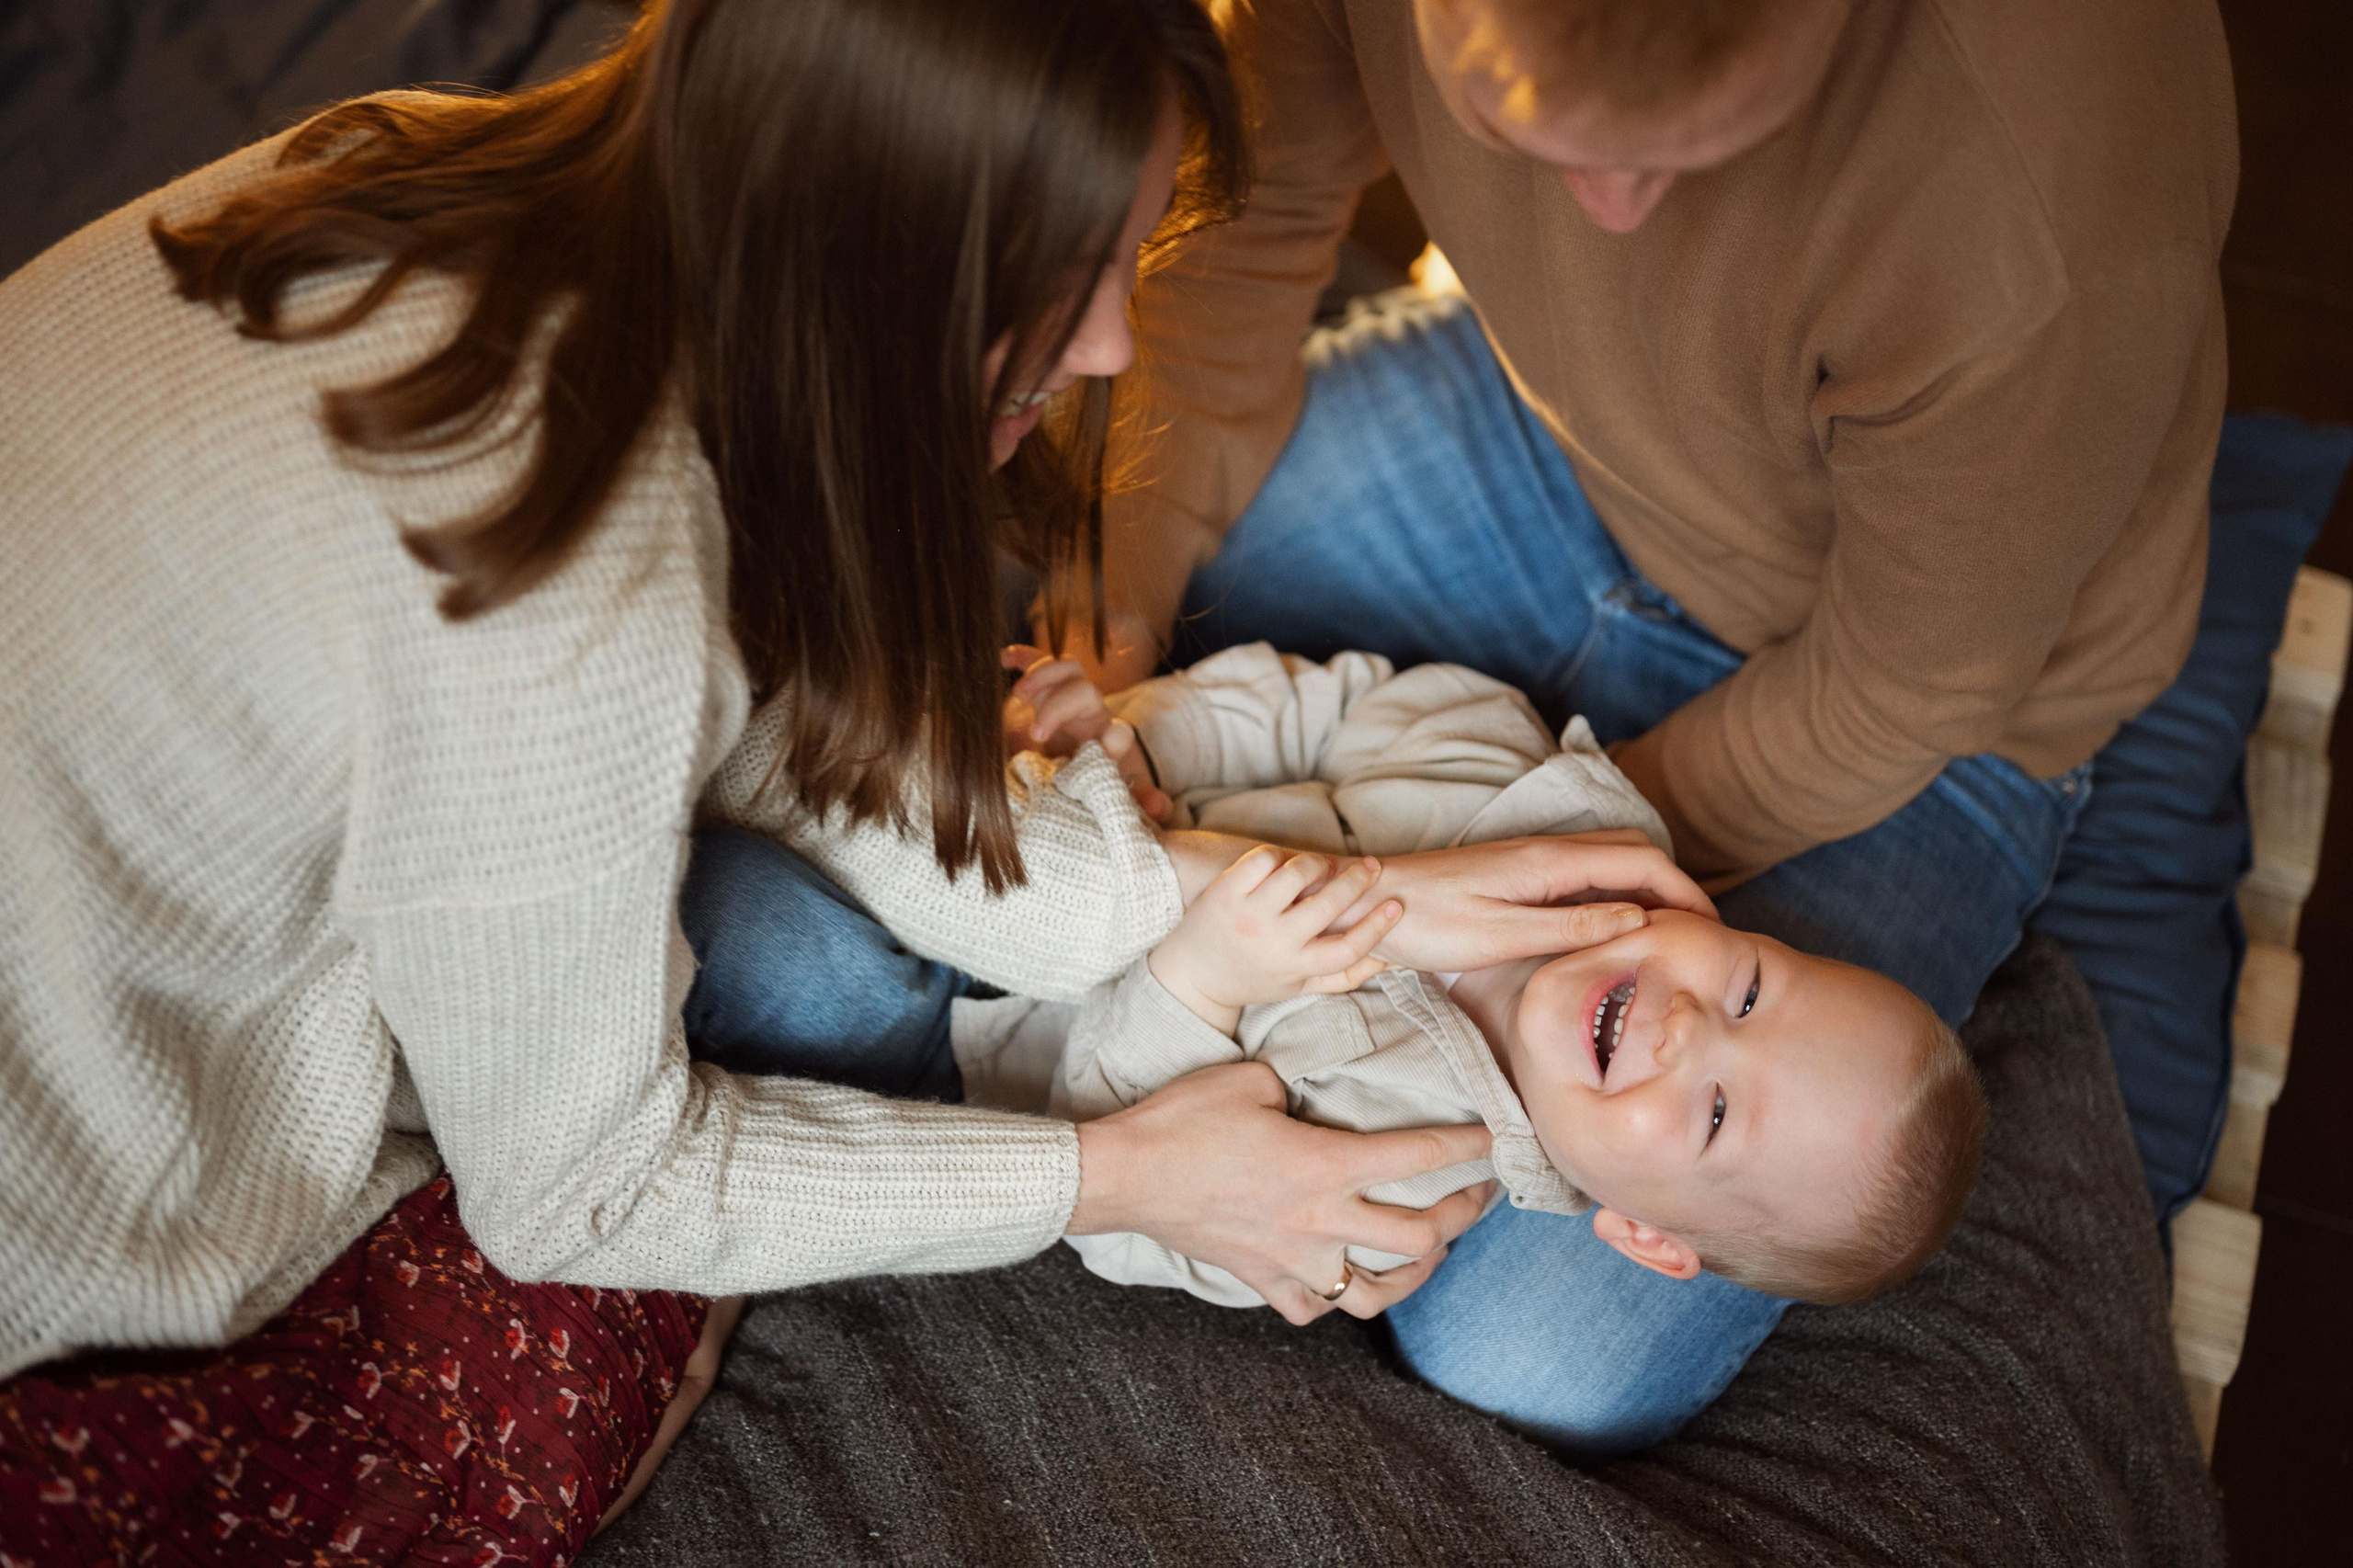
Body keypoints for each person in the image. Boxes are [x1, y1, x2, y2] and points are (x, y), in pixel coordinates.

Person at [0, 0, 1716, 1557]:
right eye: (1070, 278)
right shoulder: (566, 600)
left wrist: (1356, 899)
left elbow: (769, 700)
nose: (1113, 348)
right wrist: (1127, 1174)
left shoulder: (415, 162)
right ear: (870, 262)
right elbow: (581, 1193)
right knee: (578, 1335)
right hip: (71, 1228)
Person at [1067, 0, 2237, 1450]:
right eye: (1534, 135)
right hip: (1558, 441)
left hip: (1937, 714)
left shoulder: (2048, 200)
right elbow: (1248, 219)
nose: (1615, 211)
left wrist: (1508, 855)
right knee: (1091, 571)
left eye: (1688, 146)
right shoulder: (1592, 948)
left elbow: (1899, 692)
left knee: (1538, 1351)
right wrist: (1111, 612)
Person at [1002, 643, 1984, 1312]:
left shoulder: (1392, 1196)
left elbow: (1120, 1222)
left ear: (1643, 1232)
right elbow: (1326, 707)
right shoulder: (1507, 781)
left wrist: (1199, 979)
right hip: (1019, 807)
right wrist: (1143, 743)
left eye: (1718, 1113)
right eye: (1750, 993)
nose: (1688, 1027)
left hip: (994, 1029)